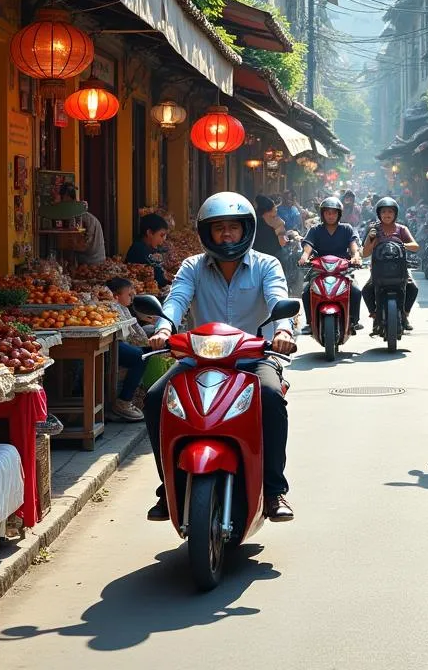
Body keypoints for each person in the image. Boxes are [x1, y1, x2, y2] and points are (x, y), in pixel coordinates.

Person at [143, 193, 297, 523]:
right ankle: (166, 486)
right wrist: (163, 326)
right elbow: (176, 299)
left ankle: (273, 491)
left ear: (246, 230)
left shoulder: (266, 265)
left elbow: (277, 298)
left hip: (254, 359)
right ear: (206, 233)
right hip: (198, 360)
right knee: (156, 398)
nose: (226, 235)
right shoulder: (192, 267)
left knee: (271, 397)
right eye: (218, 229)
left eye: (233, 228)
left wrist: (283, 331)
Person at [298, 196, 363, 330]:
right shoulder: (315, 229)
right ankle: (310, 322)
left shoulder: (346, 228)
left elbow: (353, 245)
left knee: (356, 291)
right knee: (306, 292)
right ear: (322, 214)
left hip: (342, 269)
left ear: (339, 214)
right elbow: (308, 246)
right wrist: (304, 257)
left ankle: (353, 320)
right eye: (327, 212)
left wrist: (356, 256)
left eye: (334, 213)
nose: (331, 216)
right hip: (319, 269)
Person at [361, 196, 419, 331]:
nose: (387, 215)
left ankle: (405, 314)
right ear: (379, 214)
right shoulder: (374, 230)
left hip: (400, 270)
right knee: (366, 290)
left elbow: (415, 246)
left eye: (390, 212)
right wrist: (371, 238)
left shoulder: (402, 229)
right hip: (378, 271)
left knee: (413, 288)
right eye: (384, 212)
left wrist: (402, 244)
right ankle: (375, 315)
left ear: (395, 214)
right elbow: (365, 253)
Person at [102, 277, 148, 422]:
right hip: (109, 345)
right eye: (128, 294)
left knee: (144, 352)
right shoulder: (112, 307)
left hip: (116, 344)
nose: (131, 297)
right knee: (139, 357)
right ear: (116, 296)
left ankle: (133, 396)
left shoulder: (123, 309)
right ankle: (124, 401)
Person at [58, 183, 106, 265]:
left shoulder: (84, 219)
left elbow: (82, 246)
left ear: (66, 197)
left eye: (61, 199)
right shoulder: (75, 217)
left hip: (93, 264)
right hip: (85, 262)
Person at [125, 213, 170, 289]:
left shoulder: (149, 249)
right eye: (161, 235)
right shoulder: (138, 250)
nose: (164, 239)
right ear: (149, 233)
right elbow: (157, 278)